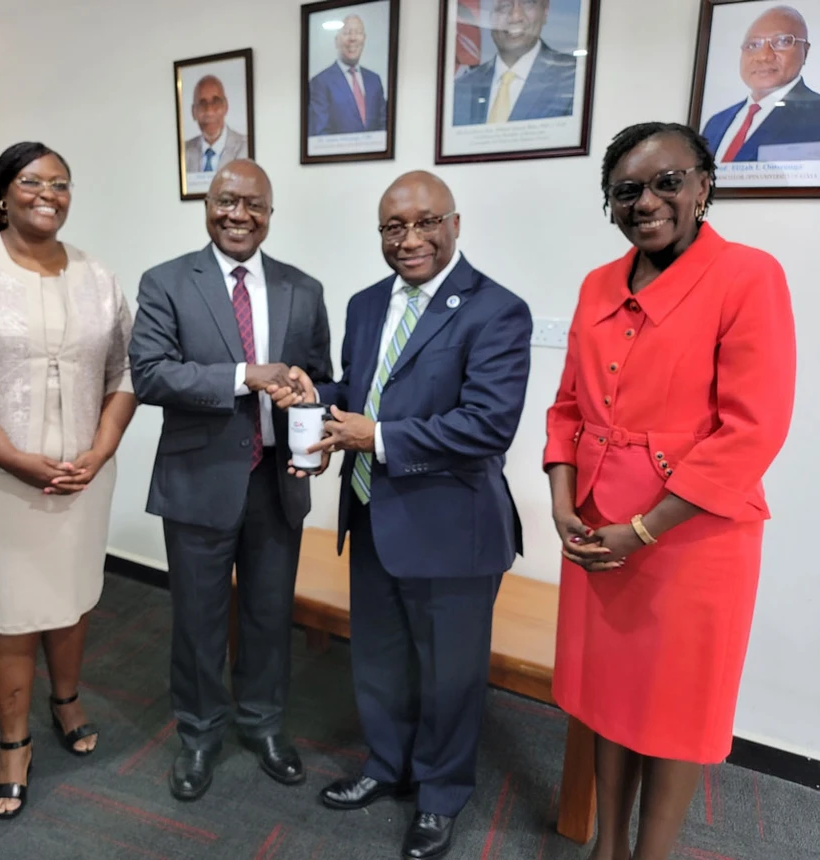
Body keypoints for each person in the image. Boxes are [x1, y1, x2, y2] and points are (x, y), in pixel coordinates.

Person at [544, 122, 796, 860]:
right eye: (626, 190)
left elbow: (751, 430)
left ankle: (648, 855)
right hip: (595, 531)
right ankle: (607, 848)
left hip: (691, 540)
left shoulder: (748, 276)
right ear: (609, 204)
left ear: (703, 185)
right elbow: (565, 410)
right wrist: (562, 506)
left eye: (666, 182)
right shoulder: (596, 284)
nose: (646, 200)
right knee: (609, 701)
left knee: (676, 711)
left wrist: (646, 529)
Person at [286, 171, 532, 860]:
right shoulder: (367, 305)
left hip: (452, 529)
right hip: (371, 516)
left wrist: (380, 438)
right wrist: (315, 393)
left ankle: (440, 793)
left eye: (426, 222)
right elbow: (360, 391)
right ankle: (384, 767)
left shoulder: (495, 310)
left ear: (456, 223)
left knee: (449, 672)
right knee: (379, 660)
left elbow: (487, 425)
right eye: (394, 227)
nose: (410, 238)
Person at [0, 141, 137, 820]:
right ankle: (13, 742)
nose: (49, 193)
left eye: (62, 183)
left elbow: (125, 374)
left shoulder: (98, 276)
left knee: (69, 600)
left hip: (79, 477)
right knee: (8, 612)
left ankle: (65, 701)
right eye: (32, 181)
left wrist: (98, 452)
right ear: (3, 194)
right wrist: (14, 458)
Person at [128, 159, 332, 802]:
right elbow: (151, 374)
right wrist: (244, 375)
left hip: (277, 482)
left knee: (271, 615)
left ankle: (264, 724)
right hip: (199, 480)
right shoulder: (166, 282)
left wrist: (314, 420)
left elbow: (320, 378)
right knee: (198, 619)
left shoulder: (304, 287)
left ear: (271, 213)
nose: (238, 214)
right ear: (207, 204)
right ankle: (197, 732)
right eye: (226, 201)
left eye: (254, 204)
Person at [701, 5, 820, 163]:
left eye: (782, 41)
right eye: (753, 45)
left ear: (805, 51)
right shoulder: (716, 123)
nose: (763, 56)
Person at [452, 0, 577, 126]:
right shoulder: (459, 90)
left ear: (545, 10)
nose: (515, 16)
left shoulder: (574, 80)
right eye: (504, 5)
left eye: (527, 3)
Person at [308, 14, 388, 135]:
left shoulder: (374, 80)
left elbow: (384, 126)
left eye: (358, 32)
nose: (353, 38)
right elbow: (319, 133)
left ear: (364, 39)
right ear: (336, 41)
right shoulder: (320, 82)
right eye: (346, 33)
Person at [184, 75, 249, 173]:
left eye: (216, 102)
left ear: (225, 106)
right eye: (202, 103)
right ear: (193, 112)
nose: (209, 111)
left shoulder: (246, 147)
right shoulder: (183, 151)